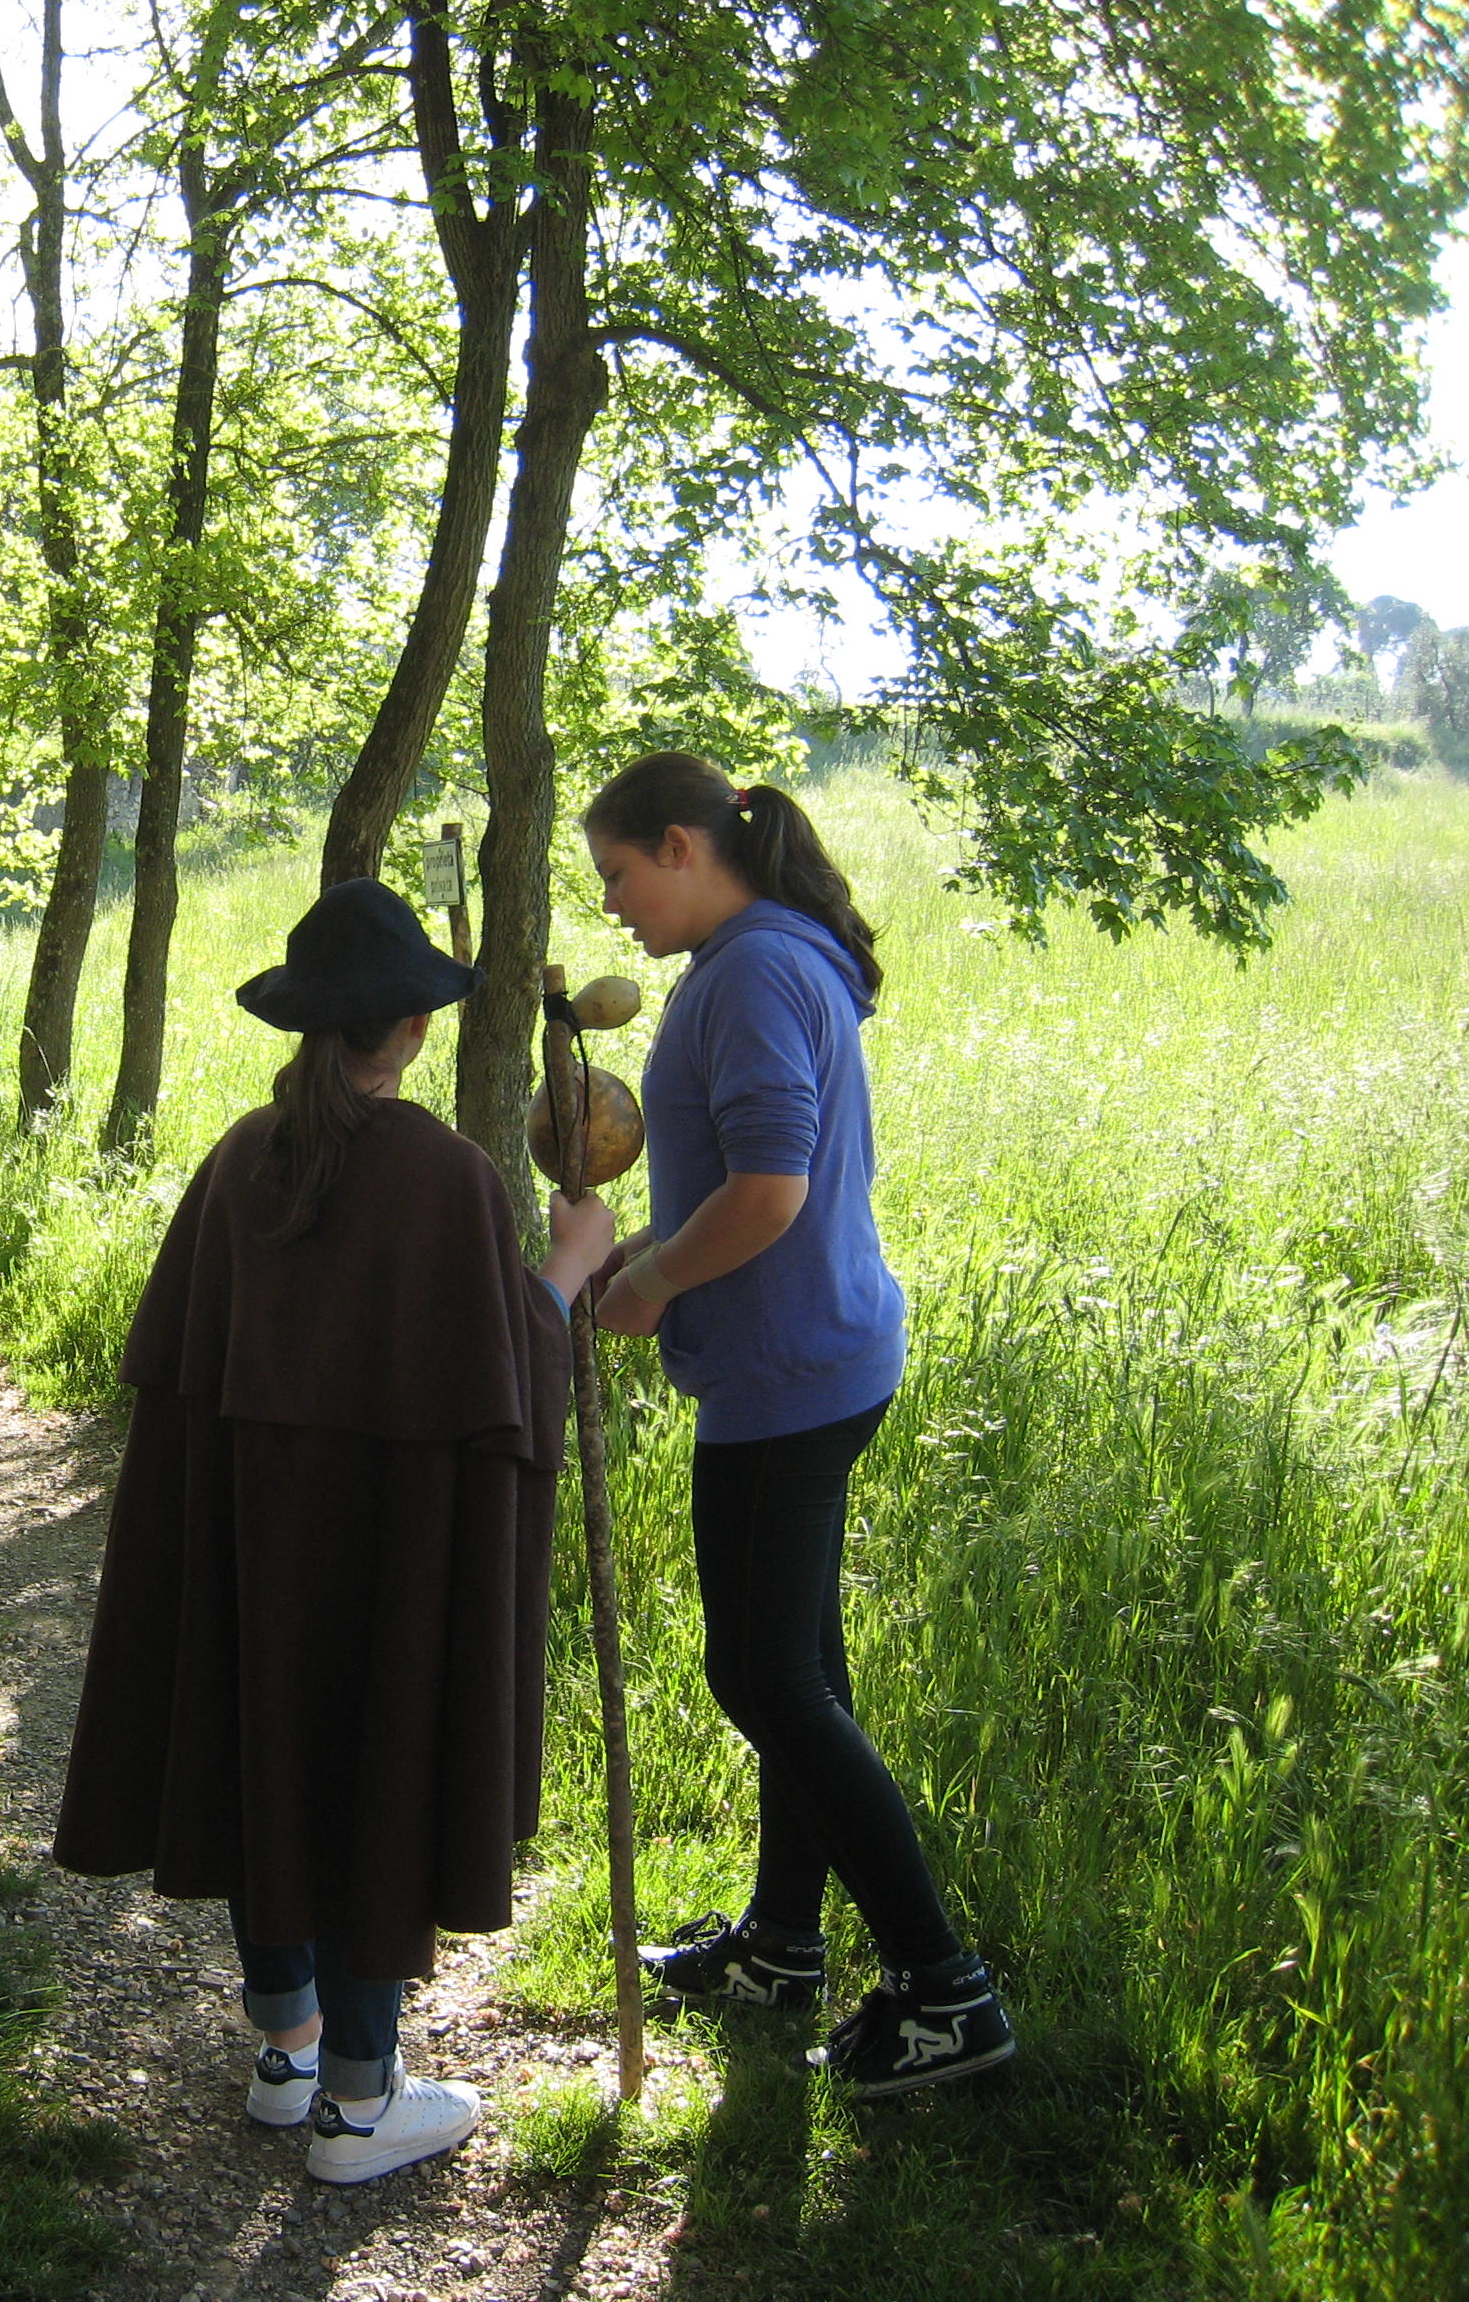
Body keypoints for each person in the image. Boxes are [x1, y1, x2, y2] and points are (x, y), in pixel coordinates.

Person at [53, 878, 615, 2184]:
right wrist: (572, 1268)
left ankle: (286, 2047)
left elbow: (190, 1378)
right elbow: (505, 1378)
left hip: (256, 1546)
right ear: (414, 1029)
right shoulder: (448, 1180)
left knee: (268, 1749)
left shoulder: (244, 1160)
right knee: (374, 1769)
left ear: (312, 1026)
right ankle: (360, 2107)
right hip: (391, 1556)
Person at [579, 748, 1015, 2098]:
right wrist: (640, 1246)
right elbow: (754, 1183)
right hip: (806, 1354)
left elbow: (772, 1190)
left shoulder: (759, 969)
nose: (614, 911)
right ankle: (783, 1943)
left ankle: (946, 1991)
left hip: (790, 1374)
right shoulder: (761, 955)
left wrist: (648, 1281)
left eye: (616, 877)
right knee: (797, 1672)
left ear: (682, 847)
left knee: (766, 1682)